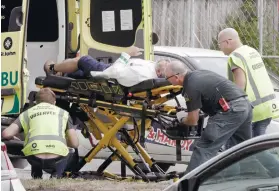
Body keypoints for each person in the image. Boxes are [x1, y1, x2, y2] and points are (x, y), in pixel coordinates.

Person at [164, 61, 253, 174]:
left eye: (167, 78)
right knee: (244, 148)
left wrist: (181, 121)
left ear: (176, 77)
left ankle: (190, 182)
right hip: (245, 104)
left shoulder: (190, 86)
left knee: (204, 147)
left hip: (231, 110)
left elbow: (192, 120)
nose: (168, 81)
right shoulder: (199, 74)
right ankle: (269, 173)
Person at [1, 88, 79, 179]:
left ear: (36, 103)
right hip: (57, 158)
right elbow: (74, 143)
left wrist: (14, 137)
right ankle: (56, 175)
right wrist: (64, 142)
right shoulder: (63, 114)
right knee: (71, 150)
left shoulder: (27, 113)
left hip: (34, 158)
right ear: (54, 102)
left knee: (31, 146)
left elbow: (6, 134)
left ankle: (36, 175)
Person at [218, 28, 276, 137]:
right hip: (267, 107)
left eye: (219, 44)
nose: (220, 48)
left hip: (253, 109)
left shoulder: (235, 56)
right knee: (259, 145)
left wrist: (230, 103)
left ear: (227, 42)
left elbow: (240, 84)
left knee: (250, 149)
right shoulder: (251, 51)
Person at [44, 46, 168, 87]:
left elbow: (113, 73)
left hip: (106, 73)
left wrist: (127, 55)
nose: (165, 60)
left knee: (83, 60)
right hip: (111, 69)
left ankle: (52, 68)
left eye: (167, 63)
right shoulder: (152, 69)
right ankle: (61, 74)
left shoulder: (143, 73)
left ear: (159, 71)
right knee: (78, 73)